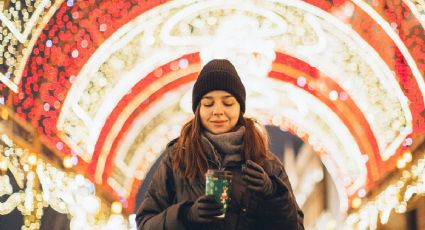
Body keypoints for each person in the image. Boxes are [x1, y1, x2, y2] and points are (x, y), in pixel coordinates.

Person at [136, 59, 304, 230]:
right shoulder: (176, 160)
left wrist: (273, 193)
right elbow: (144, 224)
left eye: (228, 103)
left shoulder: (267, 164)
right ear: (198, 110)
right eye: (208, 103)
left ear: (240, 108)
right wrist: (186, 216)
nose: (217, 111)